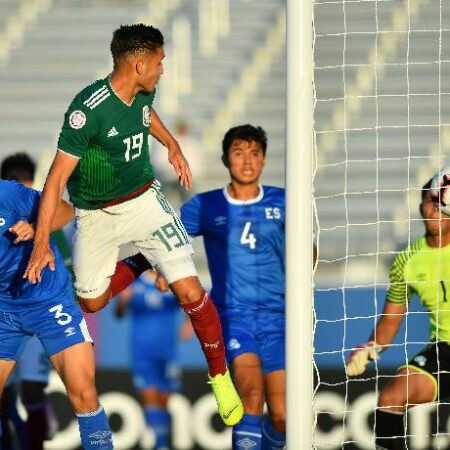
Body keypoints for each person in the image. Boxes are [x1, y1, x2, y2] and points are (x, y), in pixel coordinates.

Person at [24, 23, 243, 427]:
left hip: (145, 202)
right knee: (92, 301)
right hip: (96, 215)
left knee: (193, 294)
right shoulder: (86, 111)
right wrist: (41, 243)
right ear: (139, 64)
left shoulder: (144, 90)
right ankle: (144, 260)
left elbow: (145, 115)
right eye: (159, 62)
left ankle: (219, 375)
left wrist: (170, 143)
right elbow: (55, 181)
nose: (163, 69)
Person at [180, 124, 287, 450]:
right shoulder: (206, 206)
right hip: (235, 316)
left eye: (254, 153)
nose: (247, 161)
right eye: (239, 153)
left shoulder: (284, 201)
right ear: (226, 159)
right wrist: (164, 271)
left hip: (280, 318)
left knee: (284, 415)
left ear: (264, 160)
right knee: (251, 397)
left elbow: (307, 254)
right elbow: (170, 241)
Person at [0, 179, 114, 449]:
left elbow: (64, 209)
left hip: (49, 300)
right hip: (4, 309)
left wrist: (38, 229)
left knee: (83, 393)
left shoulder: (7, 193)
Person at [346, 177, 450, 449]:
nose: (436, 209)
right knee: (391, 397)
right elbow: (391, 320)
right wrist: (369, 347)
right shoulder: (407, 259)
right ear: (420, 207)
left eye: (442, 201)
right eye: (430, 201)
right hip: (444, 350)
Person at [0, 153, 68, 450]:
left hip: (41, 312)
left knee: (31, 389)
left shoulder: (47, 219)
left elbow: (69, 265)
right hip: (7, 315)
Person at [115, 270, 192, 450]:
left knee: (164, 400)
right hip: (141, 351)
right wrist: (123, 302)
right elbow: (118, 314)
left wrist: (189, 323)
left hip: (167, 351)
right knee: (149, 395)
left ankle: (163, 441)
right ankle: (161, 444)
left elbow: (190, 300)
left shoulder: (171, 281)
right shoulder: (134, 281)